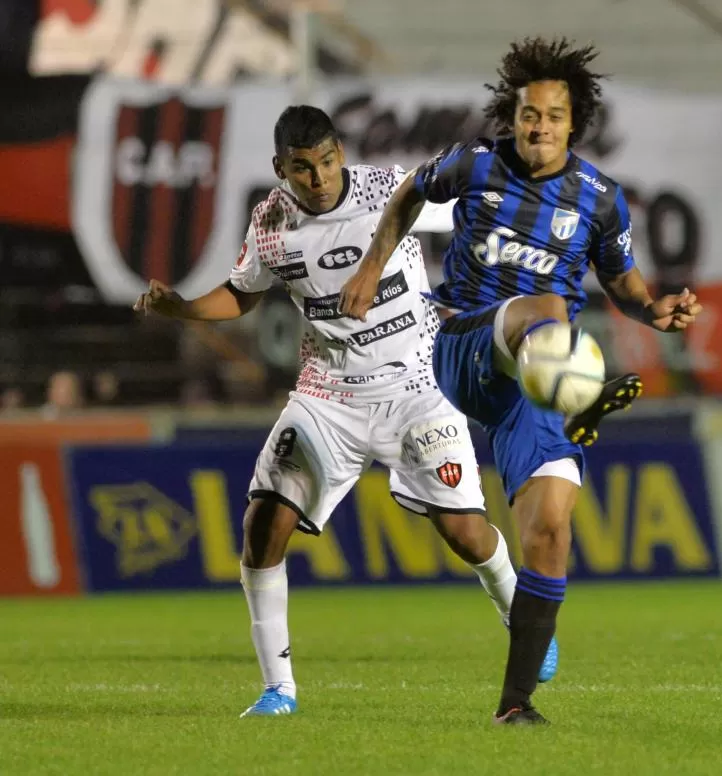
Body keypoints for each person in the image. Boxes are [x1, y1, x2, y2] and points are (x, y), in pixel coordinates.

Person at [134, 105, 558, 718]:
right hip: (328, 395)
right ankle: (278, 690)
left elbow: (473, 196)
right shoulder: (271, 222)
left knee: (465, 534)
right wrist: (183, 309)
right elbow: (243, 293)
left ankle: (521, 615)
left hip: (417, 386)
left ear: (341, 152)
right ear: (281, 168)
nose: (319, 178)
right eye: (302, 168)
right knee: (262, 524)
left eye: (328, 161)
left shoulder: (388, 189)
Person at [340, 37, 702, 725]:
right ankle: (584, 392)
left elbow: (624, 283)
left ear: (574, 123)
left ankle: (516, 704)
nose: (539, 127)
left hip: (538, 378)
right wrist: (369, 268)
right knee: (544, 308)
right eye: (529, 114)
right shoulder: (476, 164)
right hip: (468, 343)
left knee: (550, 529)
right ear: (514, 115)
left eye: (554, 116)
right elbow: (411, 195)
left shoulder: (599, 199)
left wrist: (655, 309)